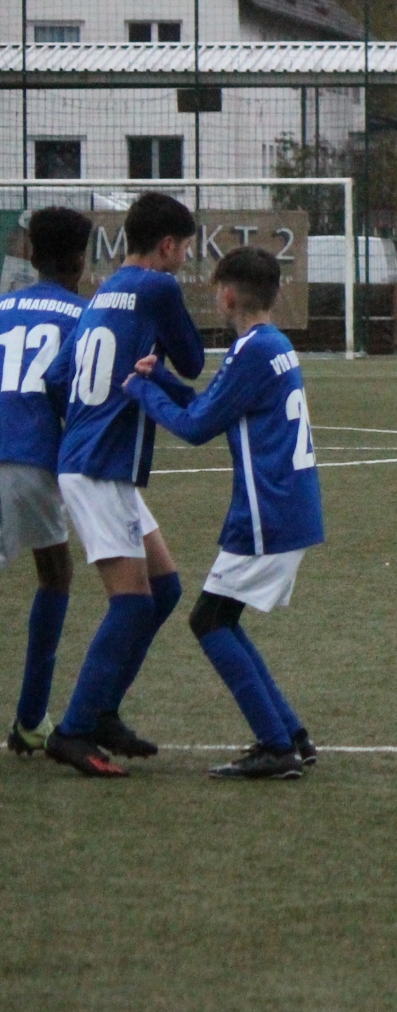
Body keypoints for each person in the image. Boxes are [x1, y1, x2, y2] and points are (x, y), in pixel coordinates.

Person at [125, 246, 322, 779]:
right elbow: (212, 402)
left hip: (269, 510)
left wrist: (141, 389)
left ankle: (276, 746)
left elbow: (194, 427)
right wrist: (163, 380)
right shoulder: (272, 344)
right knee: (222, 619)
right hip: (289, 505)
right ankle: (291, 737)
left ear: (229, 295)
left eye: (217, 289)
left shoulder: (251, 351)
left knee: (208, 620)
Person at [42, 192, 206, 777]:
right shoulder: (157, 288)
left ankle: (104, 712)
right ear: (167, 245)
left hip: (92, 459)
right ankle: (73, 729)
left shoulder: (101, 293)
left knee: (162, 591)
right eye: (184, 248)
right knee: (132, 603)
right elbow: (190, 361)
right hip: (99, 467)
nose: (184, 259)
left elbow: (59, 377)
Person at [1, 207, 90, 756]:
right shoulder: (80, 316)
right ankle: (31, 717)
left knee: (54, 569)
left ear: (29, 255)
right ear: (81, 260)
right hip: (29, 459)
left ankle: (32, 718)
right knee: (55, 574)